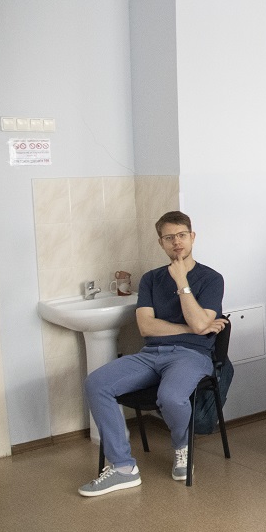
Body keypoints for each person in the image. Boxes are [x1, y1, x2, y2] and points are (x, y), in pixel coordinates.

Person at [79, 211, 226, 497]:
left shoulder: (211, 279)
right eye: (169, 237)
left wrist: (182, 283)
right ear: (161, 243)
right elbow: (147, 327)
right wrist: (192, 327)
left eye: (182, 235)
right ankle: (123, 468)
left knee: (171, 397)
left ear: (192, 237)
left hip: (192, 355)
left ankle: (182, 446)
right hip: (151, 354)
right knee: (96, 383)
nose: (177, 242)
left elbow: (200, 326)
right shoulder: (151, 279)